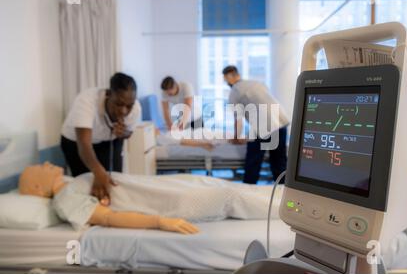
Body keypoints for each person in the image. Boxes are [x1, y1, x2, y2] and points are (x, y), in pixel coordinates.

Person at [18, 163, 280, 232]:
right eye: (39, 167)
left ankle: (294, 193)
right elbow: (107, 218)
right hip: (167, 203)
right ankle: (296, 207)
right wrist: (159, 222)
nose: (47, 162)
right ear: (38, 187)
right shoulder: (65, 198)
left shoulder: (72, 183)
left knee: (230, 186)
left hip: (169, 187)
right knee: (231, 196)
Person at [60, 72, 142, 206]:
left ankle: (113, 214)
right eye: (118, 104)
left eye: (128, 106)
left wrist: (123, 133)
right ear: (108, 94)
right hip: (75, 144)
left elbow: (129, 134)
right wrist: (98, 173)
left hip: (108, 140)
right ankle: (91, 216)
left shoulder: (135, 108)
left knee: (114, 180)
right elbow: (84, 145)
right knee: (87, 183)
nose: (124, 111)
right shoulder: (86, 101)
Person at [223, 66, 289, 184]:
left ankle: (247, 191)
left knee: (253, 163)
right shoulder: (257, 83)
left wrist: (236, 138)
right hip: (279, 120)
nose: (225, 82)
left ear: (229, 77)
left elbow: (238, 119)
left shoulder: (234, 91)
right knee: (279, 162)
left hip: (263, 124)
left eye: (225, 79)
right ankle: (281, 193)